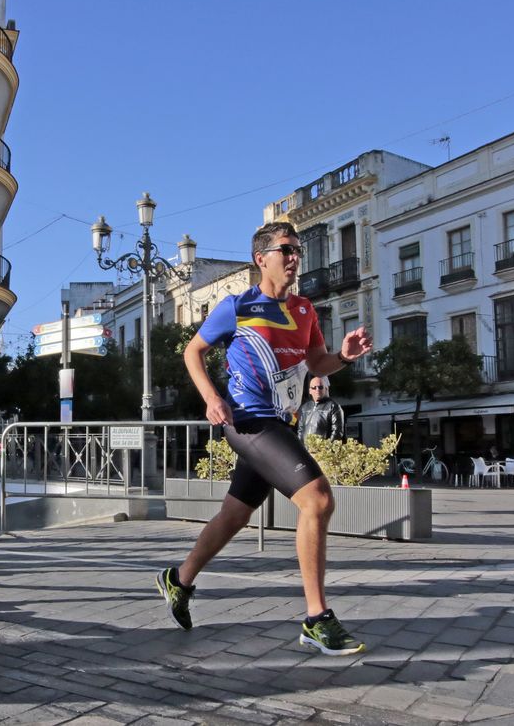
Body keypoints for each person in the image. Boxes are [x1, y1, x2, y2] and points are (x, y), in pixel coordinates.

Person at [158, 222, 373, 655]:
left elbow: (316, 362)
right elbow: (192, 351)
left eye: (298, 251)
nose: (295, 258)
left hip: (281, 423)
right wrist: (210, 397)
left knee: (234, 516)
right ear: (262, 258)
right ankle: (316, 618)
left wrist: (344, 358)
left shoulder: (306, 311)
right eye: (287, 250)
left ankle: (178, 580)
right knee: (318, 500)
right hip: (248, 422)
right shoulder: (236, 307)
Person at [296, 374, 344, 443]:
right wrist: (301, 448)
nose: (317, 389)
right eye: (314, 387)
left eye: (320, 387)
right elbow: (300, 430)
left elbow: (337, 432)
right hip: (306, 450)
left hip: (323, 451)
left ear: (326, 389)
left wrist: (326, 448)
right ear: (310, 391)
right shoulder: (305, 407)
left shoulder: (333, 406)